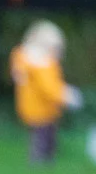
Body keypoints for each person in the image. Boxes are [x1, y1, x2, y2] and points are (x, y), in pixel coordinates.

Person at [10, 20, 82, 164]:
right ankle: (40, 161)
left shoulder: (27, 61)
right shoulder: (43, 66)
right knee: (43, 137)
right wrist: (66, 96)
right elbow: (49, 88)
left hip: (36, 108)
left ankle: (44, 159)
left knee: (44, 135)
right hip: (41, 110)